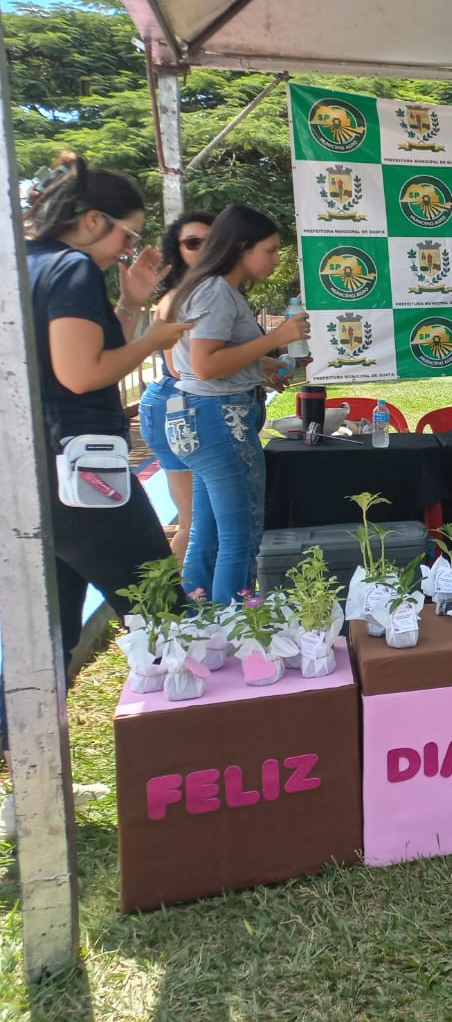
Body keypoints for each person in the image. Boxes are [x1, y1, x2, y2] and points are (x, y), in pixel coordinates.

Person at [13, 157, 189, 756]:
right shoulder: (71, 268)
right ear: (93, 220)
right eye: (127, 235)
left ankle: (32, 773)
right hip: (82, 470)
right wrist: (153, 342)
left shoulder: (24, 263)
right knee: (160, 604)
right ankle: (198, 747)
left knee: (48, 635)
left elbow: (69, 355)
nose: (127, 249)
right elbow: (82, 372)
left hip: (31, 469)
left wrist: (132, 302)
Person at [170, 205, 307, 602]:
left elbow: (210, 357)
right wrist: (275, 336)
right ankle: (238, 627)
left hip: (198, 417)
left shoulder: (210, 287)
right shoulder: (216, 291)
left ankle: (201, 619)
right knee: (240, 533)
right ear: (242, 247)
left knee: (209, 530)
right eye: (270, 250)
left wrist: (265, 364)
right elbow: (204, 364)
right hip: (218, 419)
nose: (276, 259)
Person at [138, 210, 214, 562]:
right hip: (178, 406)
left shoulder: (210, 291)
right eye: (192, 243)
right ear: (176, 250)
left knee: (203, 518)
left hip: (185, 404)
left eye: (211, 241)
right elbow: (180, 368)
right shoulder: (177, 298)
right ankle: (176, 603)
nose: (203, 249)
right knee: (194, 520)